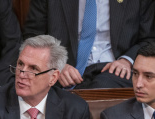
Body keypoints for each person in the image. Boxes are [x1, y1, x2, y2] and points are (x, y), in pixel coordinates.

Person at [23, 0, 155, 89]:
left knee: (101, 87)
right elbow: (32, 36)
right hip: (66, 69)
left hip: (115, 68)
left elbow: (149, 38)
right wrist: (55, 64)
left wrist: (127, 60)